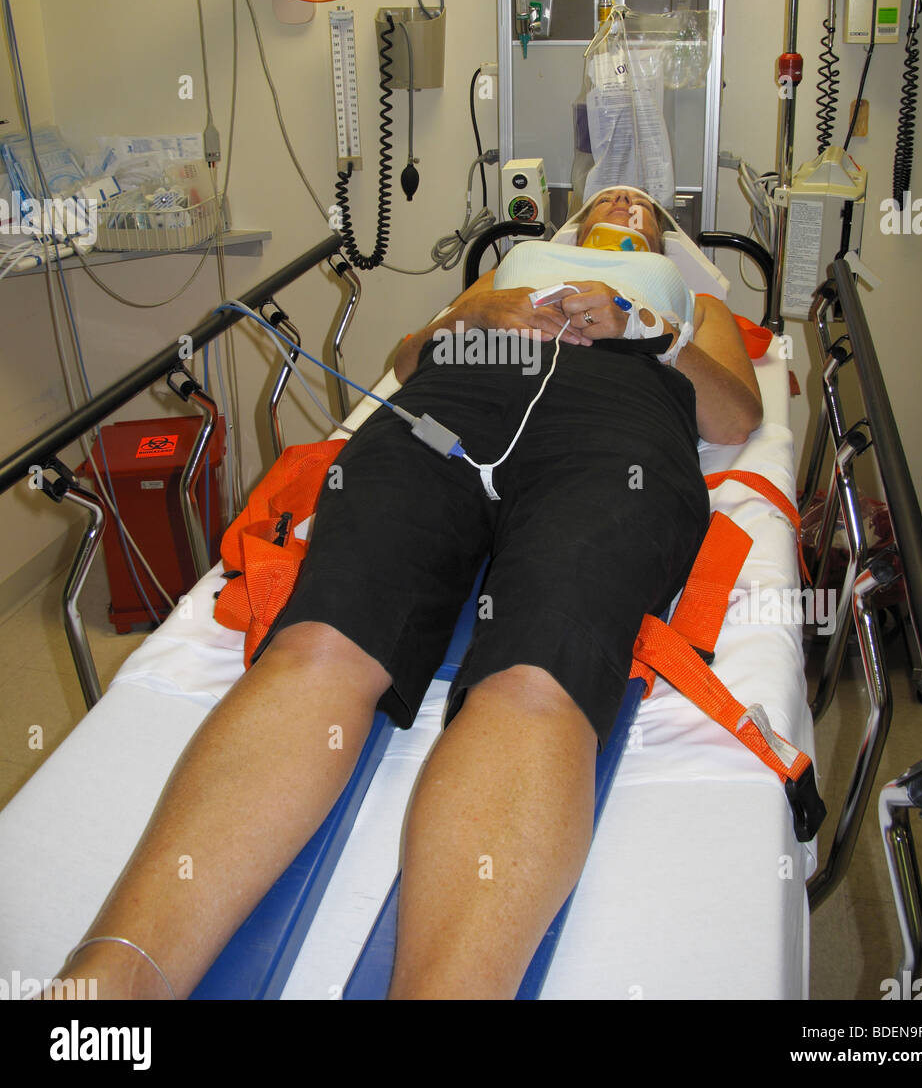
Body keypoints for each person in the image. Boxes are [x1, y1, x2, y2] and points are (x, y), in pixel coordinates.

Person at [48, 187, 762, 1001]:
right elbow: (408, 356)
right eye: (610, 197)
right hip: (447, 409)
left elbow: (735, 415)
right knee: (320, 641)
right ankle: (114, 984)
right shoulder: (508, 269)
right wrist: (470, 320)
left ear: (664, 240)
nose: (624, 206)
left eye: (642, 207)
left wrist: (646, 329)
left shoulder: (688, 300)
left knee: (536, 674)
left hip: (617, 426)